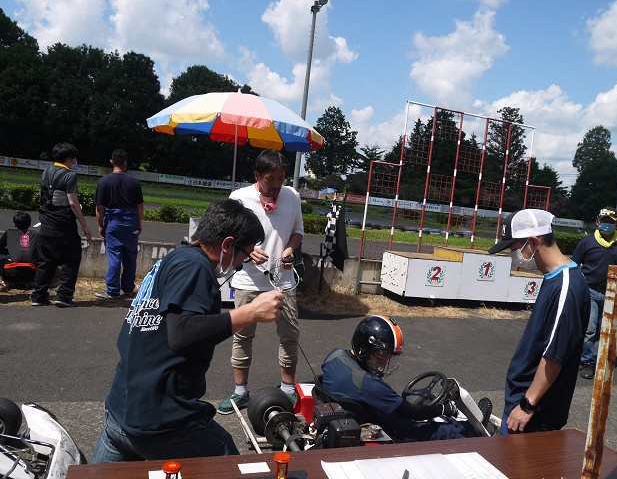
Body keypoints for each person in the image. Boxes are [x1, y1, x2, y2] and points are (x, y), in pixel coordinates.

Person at [90, 199, 285, 463]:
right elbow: (182, 333)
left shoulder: (175, 259)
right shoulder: (195, 267)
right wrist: (250, 312)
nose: (241, 263)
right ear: (227, 244)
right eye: (244, 255)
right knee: (229, 464)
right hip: (161, 420)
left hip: (121, 409)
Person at [488, 209, 590, 434]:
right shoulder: (554, 277)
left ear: (534, 242)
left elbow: (555, 355)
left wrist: (527, 404)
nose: (514, 256)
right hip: (522, 402)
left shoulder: (566, 286)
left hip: (533, 412)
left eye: (514, 248)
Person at [218, 149, 304, 414]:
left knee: (290, 335)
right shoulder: (239, 198)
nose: (277, 185)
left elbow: (298, 232)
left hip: (282, 280)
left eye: (281, 178)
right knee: (242, 336)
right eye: (270, 179)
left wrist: (289, 249)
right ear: (257, 175)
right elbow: (227, 236)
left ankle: (287, 389)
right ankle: (240, 392)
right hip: (247, 280)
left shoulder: (292, 196)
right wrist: (247, 249)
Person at [320, 315, 481, 441]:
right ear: (363, 348)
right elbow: (413, 413)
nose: (383, 365)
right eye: (380, 358)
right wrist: (444, 409)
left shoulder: (334, 355)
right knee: (443, 431)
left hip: (353, 410)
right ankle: (474, 430)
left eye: (387, 359)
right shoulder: (369, 384)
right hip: (387, 427)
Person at [572, 206, 617, 380]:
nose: (607, 225)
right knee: (590, 328)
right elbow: (573, 266)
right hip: (589, 290)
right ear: (597, 222)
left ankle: (580, 349)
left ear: (616, 224)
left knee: (602, 329)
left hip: (612, 294)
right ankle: (586, 361)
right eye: (604, 221)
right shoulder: (586, 243)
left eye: (611, 222)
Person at [31, 142, 92, 308]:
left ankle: (39, 295)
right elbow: (72, 203)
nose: (75, 161)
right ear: (69, 159)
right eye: (74, 158)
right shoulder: (70, 176)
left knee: (45, 261)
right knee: (72, 258)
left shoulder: (46, 172)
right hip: (63, 225)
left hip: (45, 223)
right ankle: (64, 295)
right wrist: (84, 225)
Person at [94, 149, 144, 299]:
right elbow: (140, 205)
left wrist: (100, 224)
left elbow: (99, 207)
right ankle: (128, 288)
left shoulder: (104, 181)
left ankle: (112, 290)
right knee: (130, 257)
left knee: (114, 256)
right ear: (125, 163)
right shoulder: (134, 182)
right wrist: (139, 223)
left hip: (113, 221)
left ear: (111, 162)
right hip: (130, 222)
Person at [0, 211, 39, 289]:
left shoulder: (9, 233)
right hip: (31, 273)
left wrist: (10, 252)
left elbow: (0, 247)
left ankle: (3, 281)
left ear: (14, 224)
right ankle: (31, 283)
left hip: (10, 272)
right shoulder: (36, 234)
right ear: (30, 223)